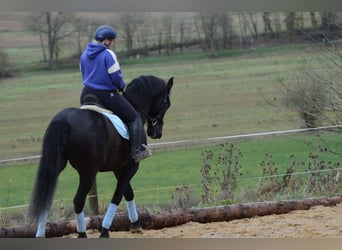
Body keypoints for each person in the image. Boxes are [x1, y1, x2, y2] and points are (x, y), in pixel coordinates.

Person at [79, 25, 151, 163]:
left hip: (86, 93)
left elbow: (83, 73)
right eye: (113, 41)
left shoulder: (84, 55)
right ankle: (136, 151)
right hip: (106, 94)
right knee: (134, 118)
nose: (113, 44)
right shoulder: (108, 54)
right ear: (106, 41)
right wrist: (122, 86)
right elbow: (115, 76)